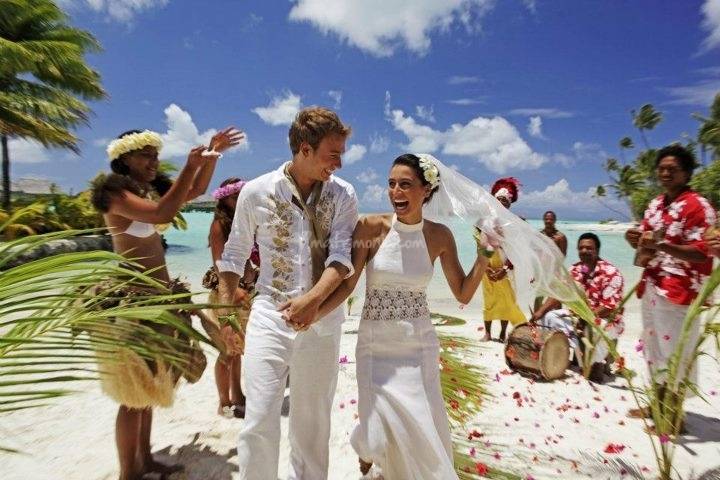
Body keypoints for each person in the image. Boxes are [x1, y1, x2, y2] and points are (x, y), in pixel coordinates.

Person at [315, 153, 492, 479]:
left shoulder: (440, 236)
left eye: (405, 185)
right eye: (391, 184)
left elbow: (463, 293)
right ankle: (369, 464)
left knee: (421, 428)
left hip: (418, 347)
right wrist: (313, 313)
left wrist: (484, 257)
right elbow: (347, 286)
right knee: (373, 432)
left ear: (426, 190)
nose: (396, 191)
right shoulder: (370, 227)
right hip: (374, 346)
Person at [91, 127, 243, 480]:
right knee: (132, 396)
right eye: (145, 155)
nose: (153, 161)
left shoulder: (147, 188)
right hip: (133, 301)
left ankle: (145, 460)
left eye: (155, 155)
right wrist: (190, 165)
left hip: (158, 298)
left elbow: (195, 191)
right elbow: (162, 213)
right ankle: (129, 472)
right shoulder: (115, 193)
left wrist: (211, 155)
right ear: (124, 158)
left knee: (149, 386)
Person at [216, 107, 358, 480]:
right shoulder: (256, 191)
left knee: (313, 423)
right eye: (333, 154)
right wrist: (227, 314)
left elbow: (343, 257)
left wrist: (313, 302)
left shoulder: (344, 194)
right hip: (268, 314)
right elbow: (233, 256)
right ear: (305, 150)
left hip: (324, 322)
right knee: (259, 419)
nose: (339, 164)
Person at [624, 144, 716, 419]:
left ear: (686, 174)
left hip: (680, 292)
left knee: (675, 353)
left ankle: (673, 416)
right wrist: (634, 239)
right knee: (653, 349)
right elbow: (646, 243)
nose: (665, 173)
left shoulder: (698, 207)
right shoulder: (655, 205)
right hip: (652, 285)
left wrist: (662, 245)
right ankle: (656, 405)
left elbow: (703, 252)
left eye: (672, 170)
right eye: (661, 169)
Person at [532, 232, 625, 383]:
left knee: (594, 331)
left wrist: (587, 317)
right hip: (580, 317)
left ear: (597, 250)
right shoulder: (574, 270)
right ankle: (561, 355)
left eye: (589, 248)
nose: (584, 251)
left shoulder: (611, 273)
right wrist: (540, 311)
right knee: (550, 317)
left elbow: (609, 306)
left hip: (605, 320)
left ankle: (599, 362)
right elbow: (560, 293)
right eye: (581, 248)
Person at [203, 177, 260, 418]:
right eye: (235, 196)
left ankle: (237, 395)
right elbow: (218, 262)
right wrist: (234, 289)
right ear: (224, 199)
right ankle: (223, 401)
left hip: (243, 293)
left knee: (237, 349)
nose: (240, 200)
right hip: (226, 296)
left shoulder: (245, 222)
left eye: (242, 195)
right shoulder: (219, 225)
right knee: (227, 350)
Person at [481, 177, 527, 342]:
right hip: (487, 264)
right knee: (489, 299)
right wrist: (484, 267)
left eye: (505, 200)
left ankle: (502, 333)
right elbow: (479, 244)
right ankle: (487, 333)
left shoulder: (514, 223)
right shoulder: (485, 220)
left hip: (506, 266)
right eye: (498, 199)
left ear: (509, 203)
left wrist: (505, 269)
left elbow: (517, 250)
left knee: (507, 300)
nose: (501, 202)